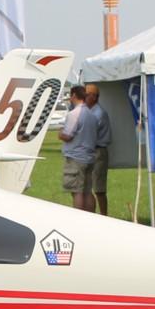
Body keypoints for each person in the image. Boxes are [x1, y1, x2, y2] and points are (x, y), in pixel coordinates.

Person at [57, 85, 101, 213]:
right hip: (89, 156)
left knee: (76, 191)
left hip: (76, 157)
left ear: (74, 95)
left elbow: (68, 135)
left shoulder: (73, 114)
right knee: (87, 191)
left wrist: (60, 134)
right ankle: (91, 217)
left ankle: (79, 217)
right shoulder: (92, 115)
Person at [84, 84, 112, 217]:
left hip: (97, 153)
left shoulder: (98, 114)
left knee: (99, 189)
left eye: (86, 95)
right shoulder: (89, 112)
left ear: (94, 97)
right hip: (90, 152)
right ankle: (93, 215)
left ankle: (103, 216)